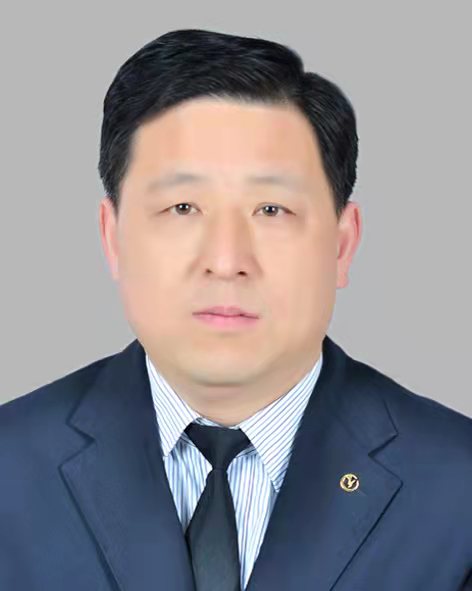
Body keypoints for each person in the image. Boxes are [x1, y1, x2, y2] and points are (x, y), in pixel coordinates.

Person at [1, 27, 471, 591]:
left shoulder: (458, 490)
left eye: (271, 209)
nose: (226, 262)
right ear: (113, 238)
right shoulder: (10, 470)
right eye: (182, 207)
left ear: (342, 246)